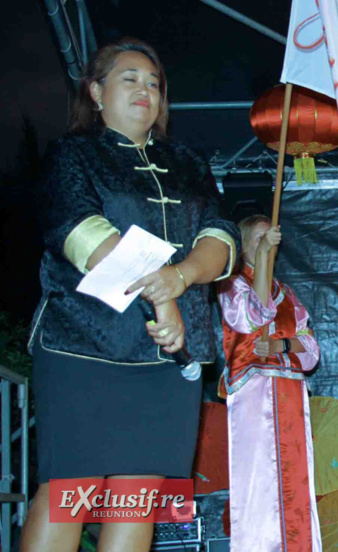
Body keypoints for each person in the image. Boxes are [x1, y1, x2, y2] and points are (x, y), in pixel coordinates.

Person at [22, 38, 239, 552]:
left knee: (139, 495)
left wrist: (182, 277)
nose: (146, 90)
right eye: (130, 78)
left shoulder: (187, 161)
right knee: (70, 490)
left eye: (155, 84)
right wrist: (162, 296)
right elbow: (81, 230)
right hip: (85, 345)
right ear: (96, 92)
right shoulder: (72, 154)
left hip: (168, 361)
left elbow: (221, 237)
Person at [218, 214, 321, 552]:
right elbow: (253, 314)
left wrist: (283, 345)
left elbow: (312, 351)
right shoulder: (230, 286)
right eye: (259, 240)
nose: (268, 245)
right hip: (253, 395)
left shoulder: (288, 294)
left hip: (290, 396)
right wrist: (261, 259)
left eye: (271, 239)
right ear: (243, 247)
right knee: (259, 483)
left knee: (295, 483)